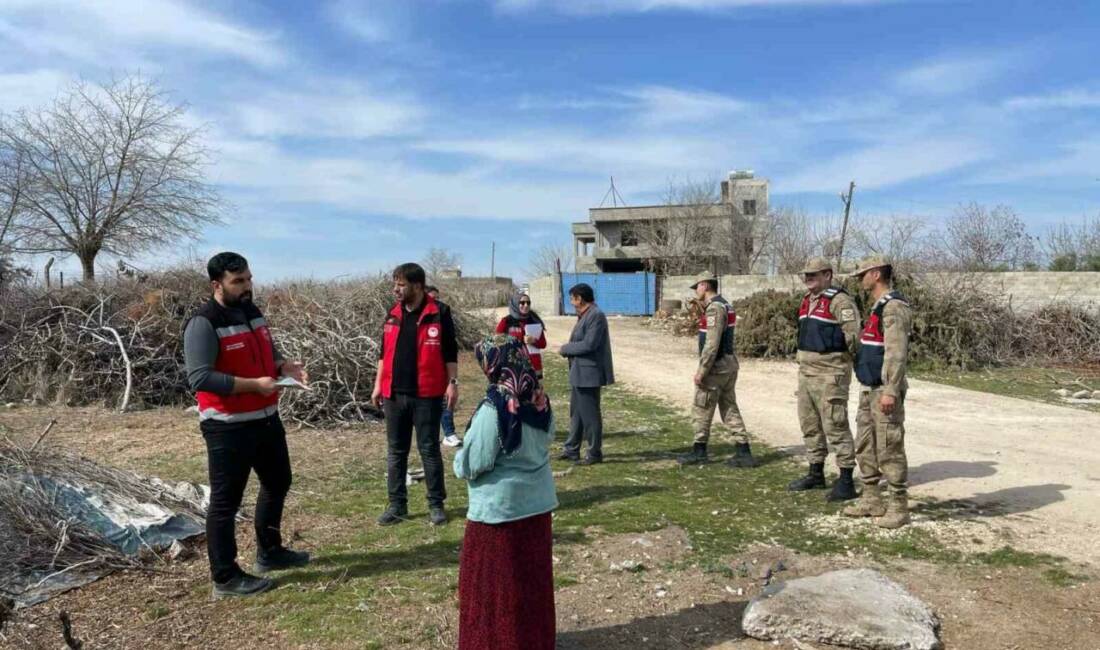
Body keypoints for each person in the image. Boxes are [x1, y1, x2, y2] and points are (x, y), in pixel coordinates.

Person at [183, 252, 310, 598]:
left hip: (266, 419)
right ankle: (224, 578)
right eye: (238, 281)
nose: (247, 286)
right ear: (217, 284)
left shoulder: (252, 312)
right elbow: (200, 377)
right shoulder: (203, 322)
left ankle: (269, 552)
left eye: (249, 279)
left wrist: (283, 366)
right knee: (225, 502)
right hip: (227, 427)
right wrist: (255, 384)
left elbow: (266, 355)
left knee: (278, 482)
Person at [453, 336, 557, 650]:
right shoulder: (539, 401)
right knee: (530, 584)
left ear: (493, 366)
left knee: (494, 588)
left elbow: (475, 461)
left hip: (499, 515)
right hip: (537, 510)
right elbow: (548, 438)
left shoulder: (494, 408)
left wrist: (458, 460)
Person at [371, 263, 459, 526]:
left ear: (417, 286)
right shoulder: (392, 314)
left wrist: (452, 383)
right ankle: (397, 505)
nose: (395, 289)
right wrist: (378, 385)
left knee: (429, 449)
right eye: (394, 284)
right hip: (394, 395)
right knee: (396, 451)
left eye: (401, 284)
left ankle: (436, 504)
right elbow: (383, 354)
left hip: (427, 394)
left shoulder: (439, 313)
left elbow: (450, 353)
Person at [844, 255, 914, 528]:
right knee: (866, 444)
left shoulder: (894, 307)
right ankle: (872, 498)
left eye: (862, 274)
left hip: (883, 390)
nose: (860, 280)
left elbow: (896, 353)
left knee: (889, 446)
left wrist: (890, 390)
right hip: (868, 388)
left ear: (875, 274)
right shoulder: (878, 306)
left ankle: (899, 507)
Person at [787, 257, 861, 502]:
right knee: (809, 424)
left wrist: (846, 365)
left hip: (830, 373)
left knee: (835, 425)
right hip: (806, 372)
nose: (808, 279)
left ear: (828, 275)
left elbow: (853, 337)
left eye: (813, 274)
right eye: (805, 275)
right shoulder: (807, 300)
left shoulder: (840, 301)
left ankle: (846, 479)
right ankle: (815, 472)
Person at [678, 272, 756, 467]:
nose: (696, 291)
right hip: (728, 364)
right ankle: (743, 450)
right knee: (729, 407)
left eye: (697, 287)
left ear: (704, 286)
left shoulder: (714, 309)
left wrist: (702, 371)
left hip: (716, 367)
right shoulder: (725, 305)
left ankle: (699, 450)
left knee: (702, 407)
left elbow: (712, 345)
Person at [558, 283, 614, 465]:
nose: (571, 301)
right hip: (579, 373)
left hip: (589, 374)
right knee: (576, 413)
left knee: (590, 415)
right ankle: (572, 449)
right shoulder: (585, 316)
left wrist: (566, 349)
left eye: (572, 297)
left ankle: (594, 452)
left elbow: (590, 344)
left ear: (579, 298)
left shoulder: (596, 316)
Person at [427, 285, 462, 448]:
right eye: (431, 299)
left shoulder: (442, 316)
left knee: (446, 400)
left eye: (437, 299)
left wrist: (453, 380)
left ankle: (449, 433)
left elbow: (450, 346)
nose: (436, 303)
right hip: (424, 371)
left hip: (442, 366)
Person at [495, 292, 548, 378]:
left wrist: (533, 341)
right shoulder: (506, 321)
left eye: (528, 303)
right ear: (515, 304)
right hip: (513, 366)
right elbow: (497, 341)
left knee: (533, 391)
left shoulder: (535, 321)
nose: (526, 305)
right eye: (522, 303)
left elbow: (543, 344)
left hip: (533, 367)